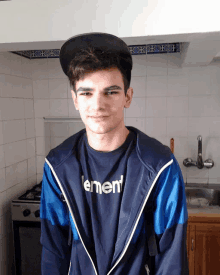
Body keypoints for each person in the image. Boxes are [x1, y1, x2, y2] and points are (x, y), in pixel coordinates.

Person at [40, 32, 189, 275]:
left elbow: (171, 257)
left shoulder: (159, 165)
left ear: (127, 97)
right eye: (87, 93)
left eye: (111, 92)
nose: (98, 105)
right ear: (75, 99)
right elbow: (53, 250)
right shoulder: (58, 165)